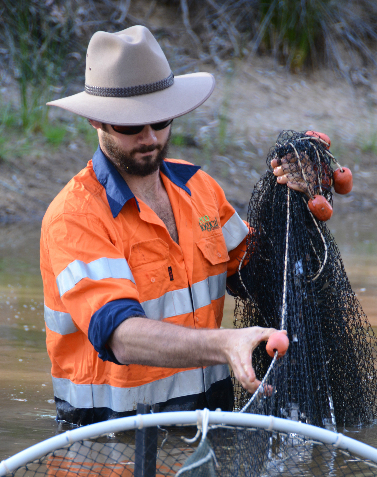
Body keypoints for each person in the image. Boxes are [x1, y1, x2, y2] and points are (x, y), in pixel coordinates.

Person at [41, 25, 280, 426]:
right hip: (111, 443)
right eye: (131, 126)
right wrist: (225, 344)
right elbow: (120, 334)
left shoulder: (200, 188)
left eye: (161, 120)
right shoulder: (74, 217)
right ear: (95, 121)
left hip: (209, 428)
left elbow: (256, 273)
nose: (151, 137)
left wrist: (293, 199)